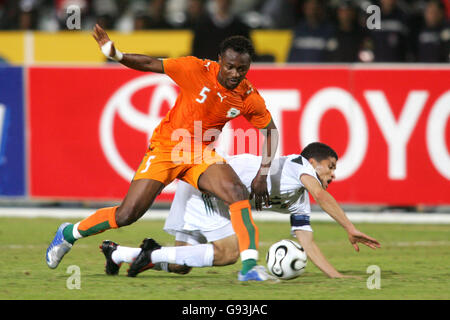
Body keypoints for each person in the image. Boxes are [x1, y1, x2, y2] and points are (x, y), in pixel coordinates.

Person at [45, 24, 279, 282]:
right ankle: (69, 233)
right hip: (168, 147)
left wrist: (261, 175)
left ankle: (249, 268)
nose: (235, 74)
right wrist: (117, 55)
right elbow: (149, 63)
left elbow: (271, 132)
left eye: (242, 69)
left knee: (236, 191)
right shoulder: (194, 69)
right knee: (127, 214)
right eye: (230, 67)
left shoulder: (248, 96)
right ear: (219, 60)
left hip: (200, 153)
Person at [100, 142, 381, 279]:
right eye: (330, 166)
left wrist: (336, 276)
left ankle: (119, 253)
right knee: (230, 253)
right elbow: (321, 194)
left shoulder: (299, 200)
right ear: (313, 162)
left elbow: (307, 242)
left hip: (216, 198)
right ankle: (150, 253)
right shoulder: (298, 166)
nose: (333, 175)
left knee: (179, 266)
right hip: (206, 186)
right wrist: (349, 227)